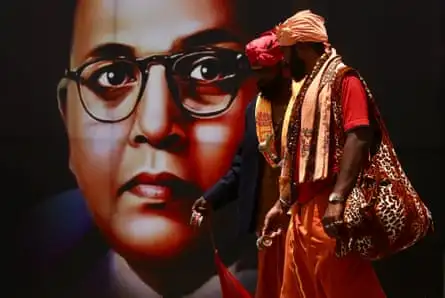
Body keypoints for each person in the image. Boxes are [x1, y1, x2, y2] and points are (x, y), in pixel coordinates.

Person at [15, 0, 295, 297]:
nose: (155, 126)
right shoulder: (33, 245)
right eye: (112, 76)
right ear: (67, 116)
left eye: (207, 70)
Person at [261, 10, 386, 298]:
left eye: (287, 51)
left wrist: (337, 199)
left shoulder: (344, 80)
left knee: (346, 291)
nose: (284, 59)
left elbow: (359, 135)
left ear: (302, 47)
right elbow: (297, 152)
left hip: (328, 209)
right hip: (301, 212)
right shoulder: (306, 89)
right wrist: (283, 204)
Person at [191, 30, 302, 298]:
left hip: (302, 222)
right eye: (254, 72)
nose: (258, 79)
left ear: (282, 67)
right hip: (266, 226)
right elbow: (242, 165)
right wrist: (211, 199)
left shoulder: (304, 105)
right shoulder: (256, 109)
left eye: (263, 71)